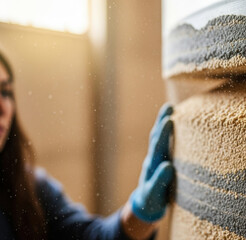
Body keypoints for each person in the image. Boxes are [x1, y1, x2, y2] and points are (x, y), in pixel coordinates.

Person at [0, 52, 175, 240]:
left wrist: (142, 212)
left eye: (6, 92)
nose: (2, 107)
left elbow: (89, 236)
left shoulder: (29, 189)